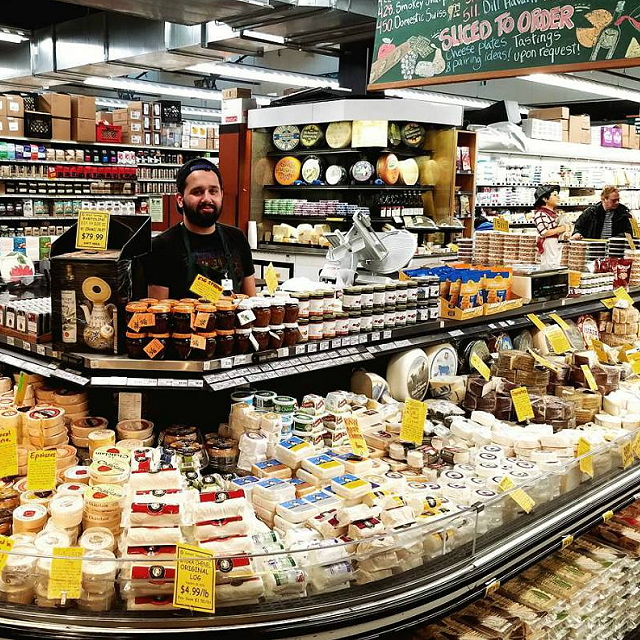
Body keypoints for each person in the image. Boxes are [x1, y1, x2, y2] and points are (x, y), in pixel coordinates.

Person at [144, 157, 256, 299]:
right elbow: (159, 308)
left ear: (221, 195)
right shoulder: (162, 246)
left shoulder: (237, 238)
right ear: (180, 199)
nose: (207, 199)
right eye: (197, 192)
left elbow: (252, 300)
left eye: (213, 191)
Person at [533, 184, 568, 269]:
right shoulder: (541, 214)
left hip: (555, 244)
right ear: (545, 199)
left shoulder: (553, 214)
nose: (558, 197)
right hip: (548, 244)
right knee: (549, 266)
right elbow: (544, 232)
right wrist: (560, 229)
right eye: (555, 195)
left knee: (555, 265)